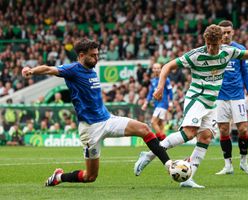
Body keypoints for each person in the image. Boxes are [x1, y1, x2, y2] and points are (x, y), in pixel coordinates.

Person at [21, 38, 173, 187]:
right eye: (92, 55)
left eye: (97, 54)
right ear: (81, 55)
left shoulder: (92, 69)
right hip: (90, 129)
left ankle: (169, 165)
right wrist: (31, 71)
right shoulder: (72, 70)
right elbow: (49, 69)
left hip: (107, 120)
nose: (96, 58)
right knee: (90, 176)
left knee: (144, 129)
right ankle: (59, 177)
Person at [134, 24, 248, 188]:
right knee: (189, 133)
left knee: (205, 137)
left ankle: (188, 178)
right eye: (209, 44)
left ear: (221, 41)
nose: (212, 48)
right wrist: (160, 86)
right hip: (197, 98)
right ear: (205, 41)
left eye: (215, 44)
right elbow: (167, 66)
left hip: (212, 102)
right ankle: (148, 155)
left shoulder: (228, 51)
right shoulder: (196, 55)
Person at [215, 20, 248, 175]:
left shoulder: (240, 49)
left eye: (228, 32)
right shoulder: (214, 49)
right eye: (223, 32)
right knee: (224, 130)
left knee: (243, 129)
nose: (225, 35)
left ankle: (244, 162)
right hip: (219, 96)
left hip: (237, 95)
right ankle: (228, 165)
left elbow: (245, 73)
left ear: (233, 32)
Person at [141, 63, 173, 141]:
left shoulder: (166, 79)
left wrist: (170, 103)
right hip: (156, 104)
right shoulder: (153, 81)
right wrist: (145, 103)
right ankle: (164, 142)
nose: (156, 70)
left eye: (158, 68)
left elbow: (170, 91)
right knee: (160, 123)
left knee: (153, 122)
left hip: (163, 104)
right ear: (152, 70)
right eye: (155, 68)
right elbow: (150, 93)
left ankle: (159, 139)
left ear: (161, 69)